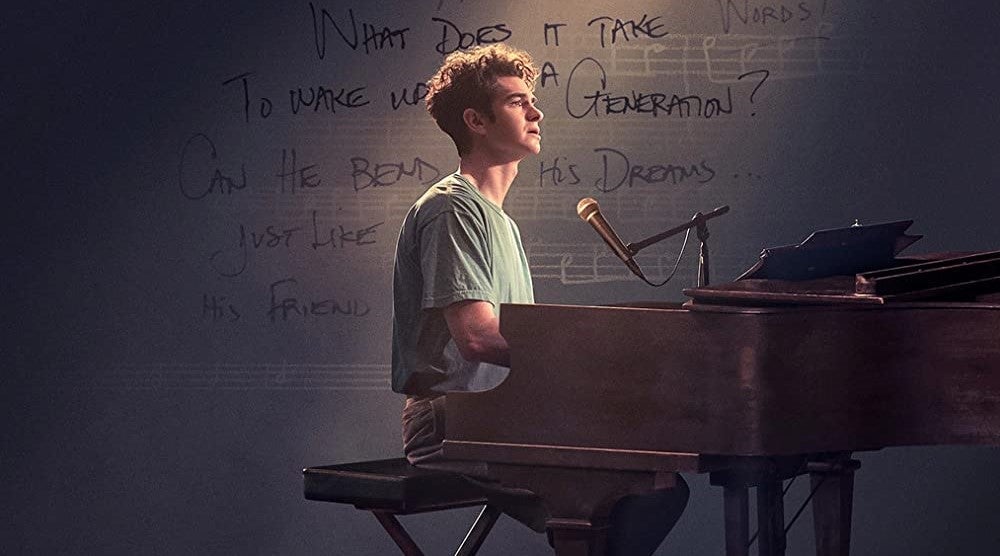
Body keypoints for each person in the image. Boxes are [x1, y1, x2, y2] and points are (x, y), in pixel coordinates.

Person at [390, 43, 688, 555]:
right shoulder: (451, 210)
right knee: (625, 491)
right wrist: (584, 360)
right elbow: (478, 338)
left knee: (656, 479)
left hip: (501, 414)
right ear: (475, 121)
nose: (537, 112)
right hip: (451, 421)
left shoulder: (498, 219)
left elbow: (518, 345)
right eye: (516, 102)